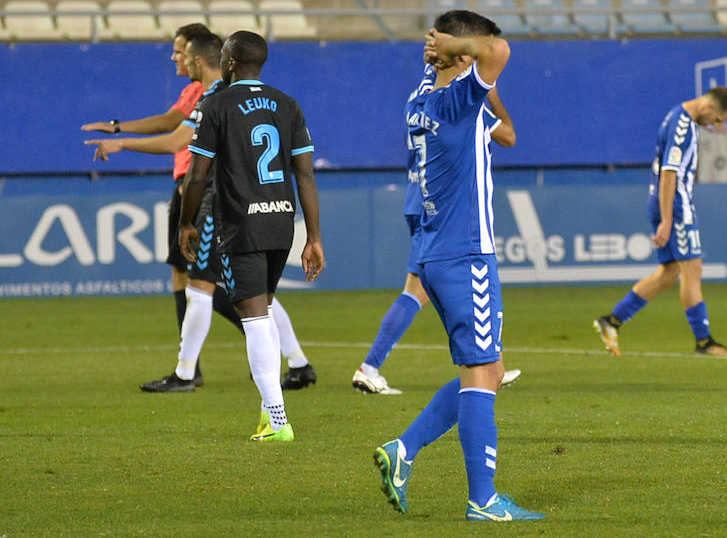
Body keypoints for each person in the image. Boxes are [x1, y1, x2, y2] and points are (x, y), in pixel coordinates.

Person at [373, 11, 543, 522]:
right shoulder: (456, 101)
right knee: (479, 369)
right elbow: (501, 50)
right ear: (465, 56)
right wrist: (457, 46)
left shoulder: (422, 97)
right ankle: (483, 500)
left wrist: (445, 50)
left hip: (433, 251)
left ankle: (403, 451)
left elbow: (494, 103)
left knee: (486, 371)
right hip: (466, 251)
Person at [85, 32, 316, 393]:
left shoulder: (216, 100)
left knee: (205, 286)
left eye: (182, 54)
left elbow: (181, 143)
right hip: (271, 207)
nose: (177, 60)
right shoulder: (277, 102)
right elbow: (303, 171)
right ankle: (296, 363)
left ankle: (189, 373)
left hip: (219, 197)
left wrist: (121, 142)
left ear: (217, 61)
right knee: (244, 293)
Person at [180, 31, 325, 442]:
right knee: (265, 309)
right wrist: (313, 236)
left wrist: (185, 223)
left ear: (228, 64)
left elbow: (196, 175)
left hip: (239, 224)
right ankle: (269, 414)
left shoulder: (216, 105)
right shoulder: (287, 104)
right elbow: (306, 174)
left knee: (255, 318)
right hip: (282, 223)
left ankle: (278, 419)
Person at [351, 75, 521, 395]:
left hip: (420, 197)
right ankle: (370, 366)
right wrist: (493, 94)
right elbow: (509, 136)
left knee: (425, 288)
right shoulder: (459, 105)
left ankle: (489, 359)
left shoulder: (420, 95)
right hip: (445, 207)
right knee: (420, 290)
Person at [593, 87, 727, 357]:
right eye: (719, 120)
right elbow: (669, 174)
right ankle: (704, 341)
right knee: (692, 269)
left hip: (667, 203)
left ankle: (612, 321)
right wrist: (667, 219)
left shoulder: (676, 115)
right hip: (675, 205)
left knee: (670, 273)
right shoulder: (682, 125)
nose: (716, 126)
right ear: (709, 108)